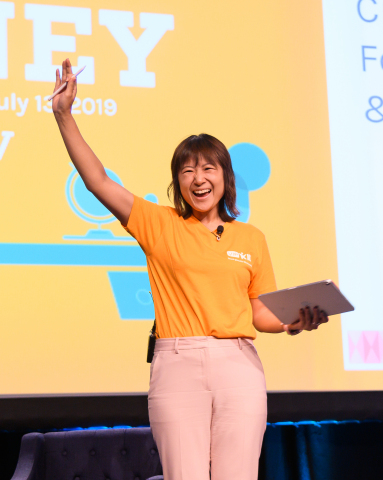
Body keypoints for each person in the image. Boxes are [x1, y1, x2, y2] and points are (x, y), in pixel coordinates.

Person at [52, 58, 329, 480]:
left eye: (207, 168)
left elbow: (258, 311)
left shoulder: (250, 238)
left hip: (239, 365)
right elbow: (98, 182)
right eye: (187, 170)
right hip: (177, 363)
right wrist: (64, 114)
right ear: (178, 181)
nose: (198, 178)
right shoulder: (158, 223)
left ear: (225, 177)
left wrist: (296, 320)